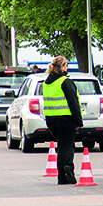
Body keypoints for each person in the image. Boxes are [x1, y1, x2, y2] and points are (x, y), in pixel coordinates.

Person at [41, 56, 83, 184]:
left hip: (51, 120)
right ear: (61, 67)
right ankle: (62, 177)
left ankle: (69, 168)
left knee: (68, 145)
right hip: (66, 119)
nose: (67, 67)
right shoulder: (65, 81)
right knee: (64, 147)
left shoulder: (46, 83)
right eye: (65, 65)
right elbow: (73, 103)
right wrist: (78, 121)